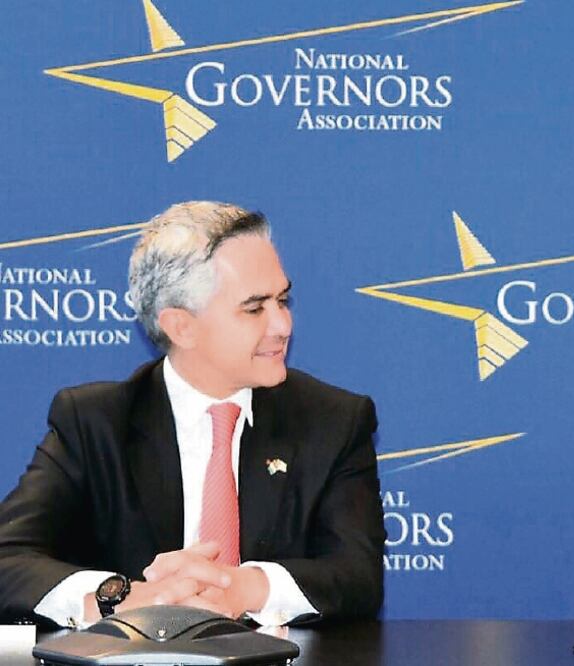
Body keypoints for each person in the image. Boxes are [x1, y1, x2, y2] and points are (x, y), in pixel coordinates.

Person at [0, 201, 385, 627]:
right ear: (181, 327)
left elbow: (358, 575)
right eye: (255, 308)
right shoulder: (95, 423)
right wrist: (124, 598)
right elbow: (7, 559)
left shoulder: (333, 420)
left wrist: (242, 587)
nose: (282, 325)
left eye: (283, 299)